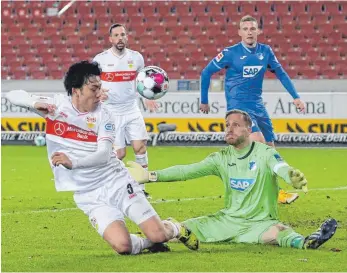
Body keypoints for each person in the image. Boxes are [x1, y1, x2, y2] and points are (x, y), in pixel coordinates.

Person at [5, 61, 199, 255]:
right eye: (94, 88)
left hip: (115, 181)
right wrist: (33, 103)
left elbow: (105, 155)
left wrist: (73, 163)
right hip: (87, 193)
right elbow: (12, 95)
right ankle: (148, 244)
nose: (100, 94)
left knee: (158, 234)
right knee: (123, 246)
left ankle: (174, 228)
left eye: (100, 87)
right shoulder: (56, 107)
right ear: (76, 91)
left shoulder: (104, 115)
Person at [127, 109, 338, 250]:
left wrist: (291, 176)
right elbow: (187, 170)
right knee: (176, 230)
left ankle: (307, 242)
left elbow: (280, 167)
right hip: (225, 222)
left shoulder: (264, 153)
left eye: (236, 125)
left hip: (259, 224)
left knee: (280, 232)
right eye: (227, 124)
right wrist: (150, 176)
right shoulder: (221, 158)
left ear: (249, 130)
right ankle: (140, 243)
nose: (229, 128)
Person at [199, 15, 305, 204]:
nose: (249, 32)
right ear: (239, 32)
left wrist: (296, 97)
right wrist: (204, 100)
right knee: (258, 142)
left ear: (258, 31)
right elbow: (206, 72)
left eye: (252, 28)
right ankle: (248, 190)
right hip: (238, 106)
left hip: (257, 105)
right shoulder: (230, 53)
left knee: (270, 150)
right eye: (246, 28)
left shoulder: (266, 51)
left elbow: (281, 73)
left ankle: (275, 193)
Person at [93, 23, 156, 199]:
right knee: (119, 154)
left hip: (131, 109)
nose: (120, 38)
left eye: (123, 35)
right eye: (117, 35)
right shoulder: (100, 59)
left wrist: (147, 97)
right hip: (111, 111)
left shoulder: (137, 58)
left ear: (127, 37)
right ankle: (109, 186)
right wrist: (98, 92)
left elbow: (142, 82)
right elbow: (91, 81)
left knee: (140, 147)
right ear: (110, 39)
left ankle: (141, 188)